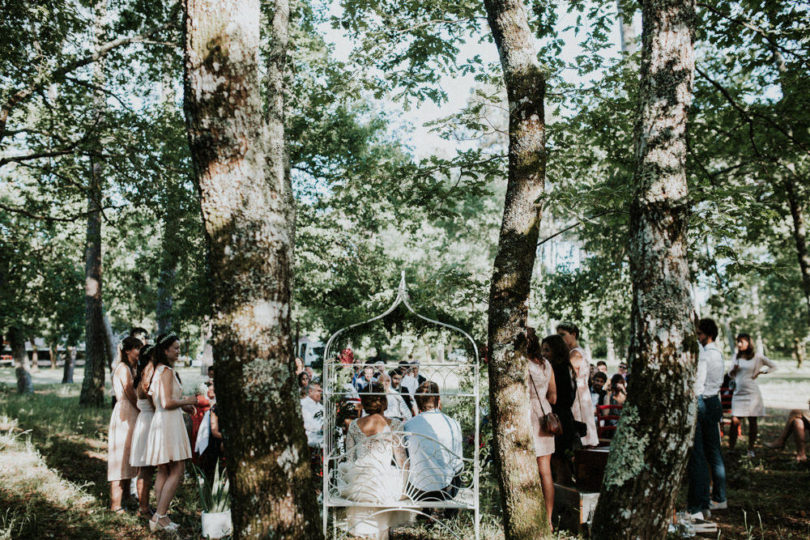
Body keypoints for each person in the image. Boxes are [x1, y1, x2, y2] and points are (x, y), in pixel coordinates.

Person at [339, 383, 410, 538]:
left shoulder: (354, 425)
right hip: (382, 479)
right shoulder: (395, 424)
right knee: (389, 487)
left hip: (358, 479)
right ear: (383, 401)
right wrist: (406, 484)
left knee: (367, 490)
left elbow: (350, 460)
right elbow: (401, 460)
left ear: (364, 403)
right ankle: (381, 534)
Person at [145, 334, 195, 532]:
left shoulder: (160, 370)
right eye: (175, 347)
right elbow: (166, 402)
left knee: (164, 470)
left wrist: (184, 407)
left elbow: (163, 400)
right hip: (168, 423)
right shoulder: (165, 371)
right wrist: (188, 400)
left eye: (179, 347)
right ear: (165, 350)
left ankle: (160, 516)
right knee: (177, 469)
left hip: (164, 420)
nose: (178, 350)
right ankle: (160, 515)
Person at [687, 318, 728, 518]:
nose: (698, 337)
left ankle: (704, 502)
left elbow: (700, 383)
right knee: (714, 452)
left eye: (700, 334)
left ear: (707, 334)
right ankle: (719, 497)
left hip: (705, 400)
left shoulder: (706, 354)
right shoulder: (717, 353)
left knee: (702, 452)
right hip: (713, 400)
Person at [403, 381, 463, 502]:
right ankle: (447, 514)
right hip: (446, 489)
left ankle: (427, 514)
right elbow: (458, 462)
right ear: (438, 400)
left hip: (417, 488)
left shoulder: (409, 425)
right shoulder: (452, 424)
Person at [108, 336, 142, 513]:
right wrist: (145, 408)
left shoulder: (134, 368)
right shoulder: (123, 368)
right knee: (120, 457)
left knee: (130, 454)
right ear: (127, 350)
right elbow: (131, 393)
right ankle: (115, 505)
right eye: (137, 348)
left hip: (133, 415)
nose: (139, 351)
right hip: (125, 413)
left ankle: (127, 496)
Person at [526, 329, 557, 523]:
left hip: (528, 414)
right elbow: (553, 396)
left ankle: (530, 516)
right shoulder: (546, 364)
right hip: (545, 415)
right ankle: (548, 520)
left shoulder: (522, 364)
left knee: (528, 467)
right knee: (545, 470)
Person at [728, 333, 776, 457]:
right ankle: (731, 448)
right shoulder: (736, 356)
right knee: (734, 421)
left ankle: (751, 449)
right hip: (738, 393)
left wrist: (761, 371)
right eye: (738, 341)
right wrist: (734, 369)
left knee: (752, 421)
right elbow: (730, 374)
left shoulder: (757, 357)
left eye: (741, 342)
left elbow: (773, 366)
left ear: (748, 343)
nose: (739, 344)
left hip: (752, 393)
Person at [542, 335, 577, 485]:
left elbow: (559, 397)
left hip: (559, 419)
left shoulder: (558, 369)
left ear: (556, 351)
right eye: (542, 350)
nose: (543, 354)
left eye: (547, 350)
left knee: (559, 461)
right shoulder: (565, 368)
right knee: (559, 461)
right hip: (563, 417)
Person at [557, 323, 599, 447]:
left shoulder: (575, 354)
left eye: (563, 334)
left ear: (573, 334)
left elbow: (568, 375)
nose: (561, 338)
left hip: (578, 394)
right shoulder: (571, 352)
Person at [130, 344, 156, 518]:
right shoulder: (148, 375)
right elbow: (156, 404)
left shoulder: (140, 374)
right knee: (146, 470)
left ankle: (145, 506)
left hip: (144, 421)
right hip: (150, 423)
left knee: (146, 469)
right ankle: (144, 508)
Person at [191, 383, 211, 464]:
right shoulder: (204, 400)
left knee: (195, 445)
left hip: (196, 424)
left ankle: (195, 464)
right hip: (202, 424)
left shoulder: (195, 399)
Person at [301, 382, 324, 449]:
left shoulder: (319, 405)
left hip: (321, 434)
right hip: (310, 436)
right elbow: (307, 424)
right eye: (318, 391)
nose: (321, 393)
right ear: (310, 391)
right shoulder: (304, 404)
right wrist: (322, 427)